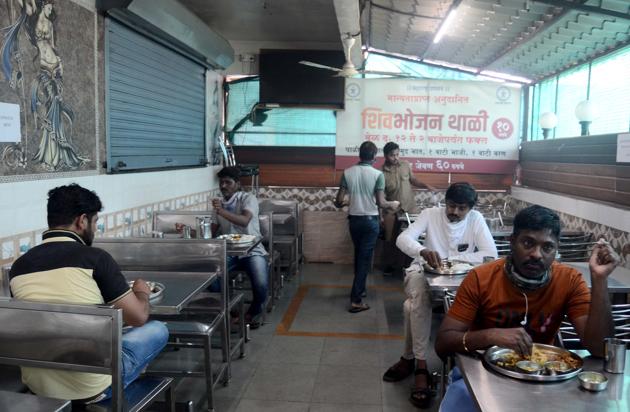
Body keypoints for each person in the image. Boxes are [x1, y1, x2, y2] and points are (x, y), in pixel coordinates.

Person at [435, 205, 618, 412]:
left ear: (556, 249)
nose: (537, 254)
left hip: (546, 378)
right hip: (481, 372)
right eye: (528, 243)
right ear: (511, 242)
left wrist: (600, 279)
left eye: (547, 247)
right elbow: (443, 343)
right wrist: (490, 336)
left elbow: (599, 349)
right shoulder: (481, 278)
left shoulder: (569, 280)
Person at [9, 183, 168, 403]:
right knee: (158, 329)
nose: (95, 228)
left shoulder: (18, 267)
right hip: (92, 387)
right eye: (95, 222)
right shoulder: (95, 258)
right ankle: (128, 378)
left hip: (39, 385)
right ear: (82, 220)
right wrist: (141, 292)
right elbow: (138, 317)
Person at [382, 182, 497, 409]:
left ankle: (410, 359)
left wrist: (453, 260)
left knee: (409, 307)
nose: (454, 212)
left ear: (471, 208)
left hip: (460, 278)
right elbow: (402, 239)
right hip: (421, 270)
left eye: (461, 208)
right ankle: (422, 366)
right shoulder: (430, 214)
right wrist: (422, 251)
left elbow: (489, 255)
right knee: (420, 295)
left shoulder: (476, 220)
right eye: (451, 206)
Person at [334, 141, 399, 313]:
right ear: (374, 156)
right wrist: (393, 204)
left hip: (354, 221)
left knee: (359, 255)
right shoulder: (378, 175)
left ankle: (360, 289)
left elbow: (339, 201)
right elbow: (381, 202)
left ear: (359, 155)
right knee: (364, 259)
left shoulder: (347, 173)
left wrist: (350, 200)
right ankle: (356, 300)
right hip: (370, 222)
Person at [211, 166, 268, 329]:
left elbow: (244, 220)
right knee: (212, 278)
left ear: (237, 183)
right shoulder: (218, 205)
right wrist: (187, 231)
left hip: (252, 250)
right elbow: (212, 232)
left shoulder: (248, 198)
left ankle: (251, 314)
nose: (223, 186)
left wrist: (220, 211)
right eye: (221, 183)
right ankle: (232, 312)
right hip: (228, 252)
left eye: (228, 182)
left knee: (261, 283)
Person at [381, 142, 436, 276]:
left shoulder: (405, 165)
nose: (395, 157)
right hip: (392, 211)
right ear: (385, 156)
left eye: (397, 154)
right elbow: (381, 196)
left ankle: (409, 265)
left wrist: (426, 185)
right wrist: (381, 215)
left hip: (410, 208)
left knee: (412, 237)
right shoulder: (381, 173)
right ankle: (389, 265)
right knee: (390, 239)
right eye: (392, 155)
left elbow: (414, 180)